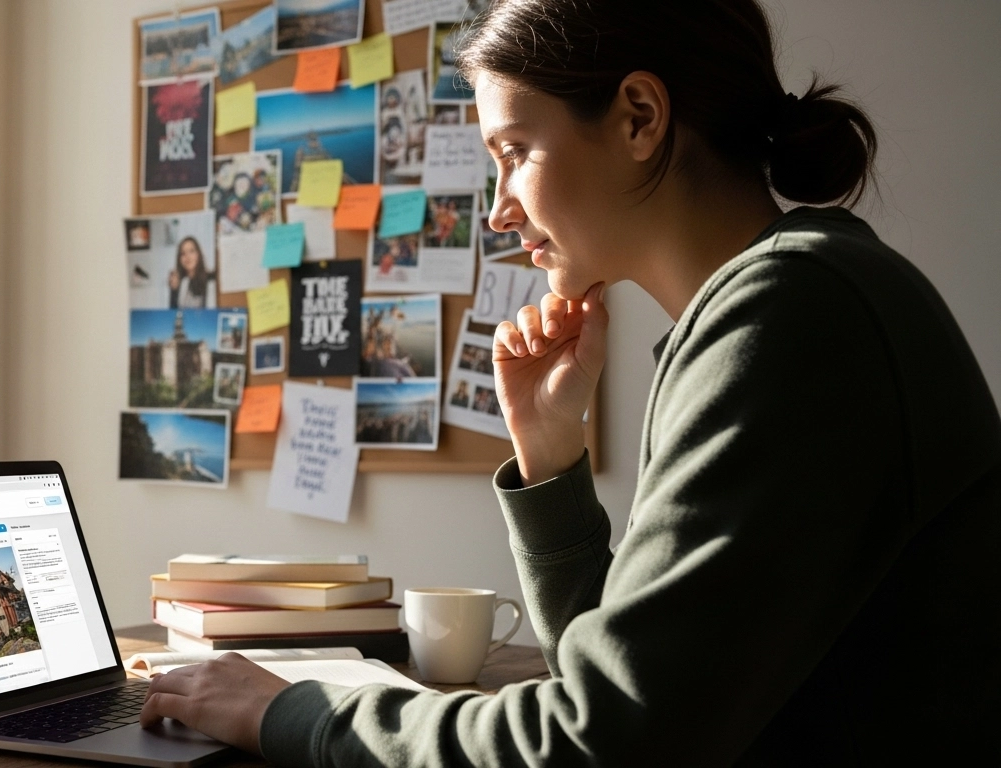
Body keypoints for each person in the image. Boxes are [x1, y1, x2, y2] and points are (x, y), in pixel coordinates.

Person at [140, 0, 1001, 764]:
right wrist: (552, 461)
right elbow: (627, 684)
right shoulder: (774, 304)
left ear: (638, 117)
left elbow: (599, 740)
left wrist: (293, 713)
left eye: (514, 152)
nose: (498, 208)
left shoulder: (792, 314)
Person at [167, 236, 210, 309]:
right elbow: (173, 313)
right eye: (183, 253)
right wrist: (174, 290)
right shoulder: (178, 281)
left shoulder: (209, 280)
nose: (187, 257)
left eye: (191, 251)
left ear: (198, 254)